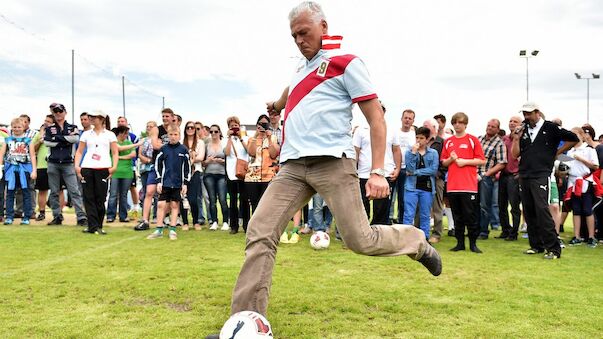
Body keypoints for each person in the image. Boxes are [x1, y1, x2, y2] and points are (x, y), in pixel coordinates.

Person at [206, 4, 441, 335]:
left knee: (360, 239)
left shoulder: (346, 63)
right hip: (292, 167)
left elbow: (376, 118)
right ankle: (245, 324)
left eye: (304, 32)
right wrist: (275, 104)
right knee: (259, 231)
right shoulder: (301, 68)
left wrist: (376, 170)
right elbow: (291, 92)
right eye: (294, 36)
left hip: (334, 162)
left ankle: (415, 241)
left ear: (324, 26)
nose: (299, 40)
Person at [511, 102, 578, 259]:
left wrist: (557, 152)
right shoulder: (523, 130)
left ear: (537, 113)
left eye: (529, 114)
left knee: (542, 209)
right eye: (524, 114)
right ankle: (536, 246)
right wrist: (516, 139)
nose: (526, 117)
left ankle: (553, 249)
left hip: (542, 173)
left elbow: (573, 138)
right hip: (525, 173)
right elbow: (515, 155)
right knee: (529, 210)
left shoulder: (551, 127)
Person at [441, 112, 486, 253]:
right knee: (457, 216)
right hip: (453, 185)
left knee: (470, 215)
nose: (457, 125)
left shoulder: (472, 140)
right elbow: (443, 162)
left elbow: (482, 160)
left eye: (460, 122)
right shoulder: (448, 141)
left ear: (465, 124)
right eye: (455, 123)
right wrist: (451, 160)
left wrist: (465, 162)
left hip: (469, 186)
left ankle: (473, 244)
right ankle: (460, 243)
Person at [74, 112, 118, 234]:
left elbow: (115, 152)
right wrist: (77, 166)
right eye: (91, 117)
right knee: (88, 197)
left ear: (101, 119)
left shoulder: (110, 134)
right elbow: (79, 151)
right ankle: (92, 226)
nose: (91, 119)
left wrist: (114, 167)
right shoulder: (86, 134)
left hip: (103, 167)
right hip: (88, 167)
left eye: (94, 117)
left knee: (100, 197)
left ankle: (99, 224)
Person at [44, 103, 87, 226]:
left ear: (65, 112)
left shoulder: (72, 127)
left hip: (68, 163)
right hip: (53, 162)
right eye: (55, 112)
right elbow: (47, 142)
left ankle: (81, 217)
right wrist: (64, 139)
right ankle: (57, 216)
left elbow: (75, 140)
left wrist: (57, 138)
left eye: (60, 111)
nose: (58, 114)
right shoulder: (49, 128)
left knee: (74, 191)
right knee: (54, 192)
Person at [146, 125, 190, 240]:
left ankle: (173, 229)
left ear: (179, 136)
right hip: (165, 182)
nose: (173, 137)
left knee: (175, 205)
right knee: (161, 205)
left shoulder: (184, 150)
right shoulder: (163, 149)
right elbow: (158, 165)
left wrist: (185, 183)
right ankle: (159, 229)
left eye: (176, 135)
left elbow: (187, 167)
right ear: (168, 136)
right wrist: (159, 181)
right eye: (171, 134)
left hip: (177, 183)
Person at [135, 108, 174, 231]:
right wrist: (168, 145)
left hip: (170, 166)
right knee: (150, 191)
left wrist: (162, 144)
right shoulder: (157, 129)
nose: (164, 118)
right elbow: (155, 145)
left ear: (172, 117)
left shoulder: (175, 129)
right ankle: (145, 220)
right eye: (163, 116)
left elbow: (174, 144)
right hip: (156, 164)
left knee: (167, 194)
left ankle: (164, 219)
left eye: (167, 116)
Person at [565, 127, 599, 247]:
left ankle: (591, 236)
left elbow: (595, 166)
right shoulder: (569, 151)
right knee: (576, 210)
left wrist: (581, 159)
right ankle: (577, 236)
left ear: (581, 135)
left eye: (575, 134)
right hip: (573, 182)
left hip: (585, 181)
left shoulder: (589, 150)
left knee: (587, 209)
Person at [403, 127, 439, 240]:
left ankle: (425, 239)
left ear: (427, 139)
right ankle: (406, 239)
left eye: (422, 138)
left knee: (425, 215)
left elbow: (433, 170)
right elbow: (409, 167)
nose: (418, 140)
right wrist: (414, 153)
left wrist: (415, 172)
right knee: (408, 214)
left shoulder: (433, 153)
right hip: (411, 187)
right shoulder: (409, 152)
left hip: (427, 188)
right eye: (417, 137)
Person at [0, 117, 37, 225]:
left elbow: (32, 155)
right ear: (11, 128)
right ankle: (9, 216)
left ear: (24, 127)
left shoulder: (28, 141)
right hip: (10, 169)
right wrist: (1, 166)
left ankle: (26, 216)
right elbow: (2, 154)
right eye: (15, 127)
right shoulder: (7, 140)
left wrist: (34, 170)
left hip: (25, 169)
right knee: (10, 192)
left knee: (26, 192)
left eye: (19, 127)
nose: (17, 129)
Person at [477, 119, 507, 239]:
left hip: (486, 177)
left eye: (493, 126)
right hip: (473, 176)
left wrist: (487, 174)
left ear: (498, 129)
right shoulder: (478, 139)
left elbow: (502, 163)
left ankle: (483, 231)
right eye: (488, 125)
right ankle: (474, 229)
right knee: (473, 204)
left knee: (484, 205)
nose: (489, 128)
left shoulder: (499, 143)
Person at [224, 116, 250, 234]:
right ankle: (233, 226)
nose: (234, 128)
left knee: (244, 200)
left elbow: (249, 151)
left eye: (236, 125)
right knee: (233, 200)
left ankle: (246, 225)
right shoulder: (227, 139)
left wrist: (240, 137)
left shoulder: (245, 137)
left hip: (243, 172)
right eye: (231, 126)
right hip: (231, 173)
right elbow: (227, 152)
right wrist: (230, 137)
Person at [498, 116, 522, 241]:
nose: (512, 123)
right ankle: (505, 230)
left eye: (515, 121)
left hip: (515, 175)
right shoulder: (504, 139)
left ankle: (514, 233)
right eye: (510, 121)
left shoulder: (522, 139)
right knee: (501, 205)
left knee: (514, 206)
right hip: (503, 174)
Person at [106, 126, 137, 223]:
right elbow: (118, 149)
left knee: (123, 195)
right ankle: (111, 215)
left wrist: (120, 157)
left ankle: (123, 216)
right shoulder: (113, 142)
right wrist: (124, 156)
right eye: (126, 133)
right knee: (113, 194)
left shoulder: (129, 142)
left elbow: (133, 155)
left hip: (127, 172)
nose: (127, 135)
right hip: (115, 171)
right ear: (121, 133)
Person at [203, 124, 229, 231]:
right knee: (212, 199)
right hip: (209, 174)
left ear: (220, 132)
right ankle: (214, 221)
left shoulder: (224, 144)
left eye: (216, 131)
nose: (213, 133)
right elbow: (202, 162)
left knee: (223, 199)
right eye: (211, 132)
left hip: (222, 174)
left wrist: (223, 161)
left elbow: (230, 160)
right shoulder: (206, 145)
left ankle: (226, 222)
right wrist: (208, 161)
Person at [182, 121, 205, 231]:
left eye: (192, 127)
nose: (190, 129)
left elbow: (201, 157)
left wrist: (192, 158)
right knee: (183, 198)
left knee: (193, 199)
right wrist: (191, 157)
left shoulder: (200, 143)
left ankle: (196, 221)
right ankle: (185, 222)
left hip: (196, 172)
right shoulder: (182, 143)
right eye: (188, 127)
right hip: (183, 174)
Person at [394, 109, 416, 223]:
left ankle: (402, 221)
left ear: (413, 121)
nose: (407, 120)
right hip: (393, 168)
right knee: (390, 198)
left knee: (403, 199)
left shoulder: (414, 135)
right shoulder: (395, 132)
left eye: (410, 118)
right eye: (405, 118)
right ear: (401, 119)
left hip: (406, 171)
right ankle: (387, 220)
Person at [32, 114, 55, 221]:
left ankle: (57, 213)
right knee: (42, 190)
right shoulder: (39, 134)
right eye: (45, 121)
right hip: (41, 165)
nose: (46, 123)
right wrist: (40, 140)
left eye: (49, 121)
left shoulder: (57, 133)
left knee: (58, 190)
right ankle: (41, 212)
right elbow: (32, 149)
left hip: (55, 164)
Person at [117, 116, 140, 215]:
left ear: (126, 123)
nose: (120, 123)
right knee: (117, 190)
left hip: (130, 167)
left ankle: (135, 206)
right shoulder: (114, 136)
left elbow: (135, 152)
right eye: (118, 121)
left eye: (122, 121)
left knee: (132, 187)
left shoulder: (133, 136)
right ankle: (120, 207)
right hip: (117, 168)